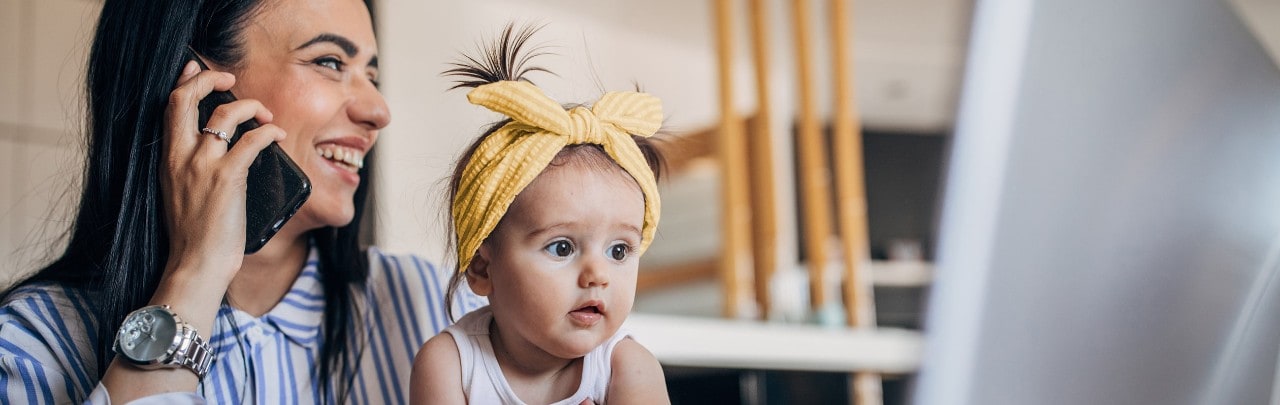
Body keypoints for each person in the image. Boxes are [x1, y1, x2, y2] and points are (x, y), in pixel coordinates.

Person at [0, 0, 481, 403]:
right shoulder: (32, 344)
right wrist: (195, 274)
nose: (378, 110)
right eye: (330, 62)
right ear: (197, 88)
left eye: (370, 74)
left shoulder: (436, 305)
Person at [410, 25, 671, 404]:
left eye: (618, 251)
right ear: (484, 268)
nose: (598, 275)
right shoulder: (450, 364)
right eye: (562, 247)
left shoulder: (627, 367)